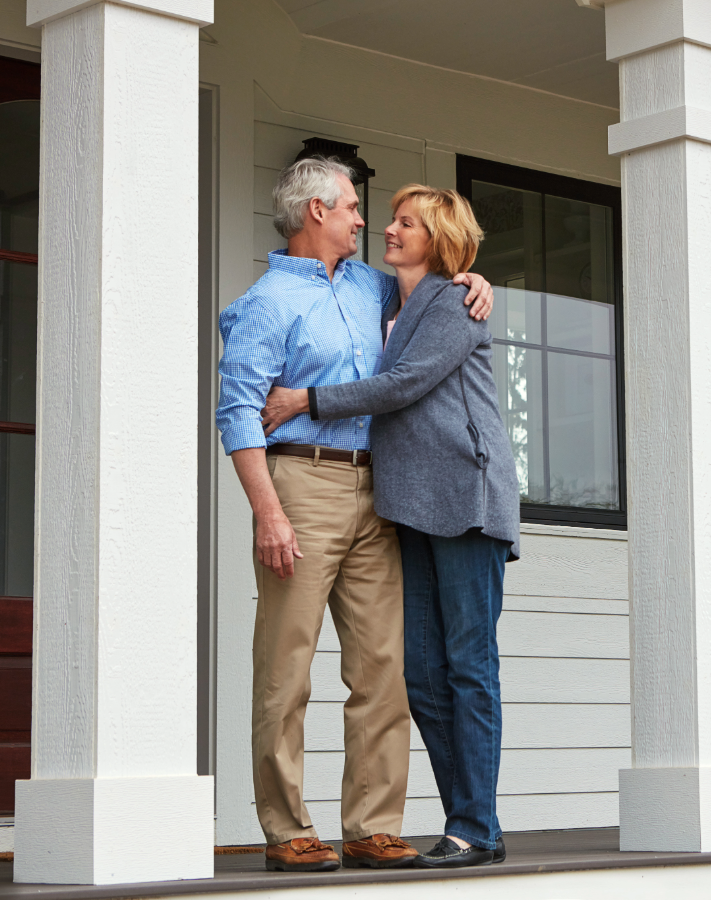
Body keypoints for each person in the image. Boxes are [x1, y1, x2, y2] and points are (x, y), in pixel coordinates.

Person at [215, 157, 494, 873]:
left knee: (383, 668)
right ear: (316, 212)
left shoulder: (373, 285)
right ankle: (287, 830)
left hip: (381, 494)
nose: (363, 221)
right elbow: (239, 412)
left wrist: (475, 278)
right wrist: (268, 512)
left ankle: (372, 824)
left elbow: (433, 300)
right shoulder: (269, 301)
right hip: (300, 486)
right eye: (350, 208)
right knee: (287, 667)